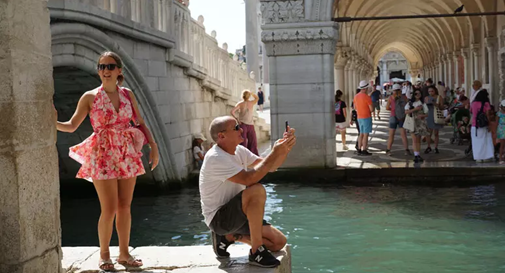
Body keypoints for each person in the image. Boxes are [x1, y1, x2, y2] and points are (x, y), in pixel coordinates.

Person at [55, 51, 159, 271]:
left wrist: (154, 147)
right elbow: (72, 125)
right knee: (109, 208)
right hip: (102, 154)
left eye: (110, 66)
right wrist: (52, 121)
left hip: (126, 153)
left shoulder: (128, 94)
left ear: (119, 71)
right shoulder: (90, 97)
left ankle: (124, 253)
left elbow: (140, 122)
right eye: (101, 67)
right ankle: (104, 255)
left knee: (125, 206)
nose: (105, 71)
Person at [199, 116, 296, 268]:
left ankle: (230, 237)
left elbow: (270, 167)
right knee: (256, 190)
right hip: (219, 219)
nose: (242, 129)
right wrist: (275, 152)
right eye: (236, 127)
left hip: (238, 215)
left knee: (279, 242)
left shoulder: (239, 151)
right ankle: (256, 251)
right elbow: (249, 178)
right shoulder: (216, 157)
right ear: (221, 136)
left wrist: (283, 150)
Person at [231, 90, 259, 155]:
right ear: (248, 96)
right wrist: (252, 93)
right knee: (252, 142)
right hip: (250, 124)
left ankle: (242, 156)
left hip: (242, 124)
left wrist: (237, 120)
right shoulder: (251, 103)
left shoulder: (240, 104)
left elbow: (232, 111)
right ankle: (252, 156)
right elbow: (257, 98)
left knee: (242, 142)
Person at [385, 84, 411, 156]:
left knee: (391, 135)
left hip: (393, 116)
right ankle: (406, 150)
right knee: (403, 135)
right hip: (402, 117)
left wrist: (393, 110)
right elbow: (407, 106)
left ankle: (388, 150)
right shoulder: (404, 97)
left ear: (393, 90)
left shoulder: (391, 98)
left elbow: (387, 108)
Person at [404, 90, 429, 163]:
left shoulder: (423, 103)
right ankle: (416, 155)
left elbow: (427, 113)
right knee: (414, 139)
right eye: (416, 93)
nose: (417, 95)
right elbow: (406, 112)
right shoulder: (410, 103)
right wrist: (415, 109)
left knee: (418, 140)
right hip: (413, 122)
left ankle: (418, 154)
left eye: (419, 93)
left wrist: (422, 115)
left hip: (420, 122)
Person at [470, 89, 494, 162]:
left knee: (476, 142)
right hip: (483, 125)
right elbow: (488, 115)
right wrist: (489, 124)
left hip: (475, 125)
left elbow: (471, 112)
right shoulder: (486, 104)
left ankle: (478, 157)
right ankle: (486, 156)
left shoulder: (473, 104)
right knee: (485, 141)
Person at [353, 80, 373, 156]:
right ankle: (364, 149)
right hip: (366, 117)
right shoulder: (367, 97)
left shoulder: (356, 96)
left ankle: (359, 149)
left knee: (361, 134)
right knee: (365, 134)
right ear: (365, 88)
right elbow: (371, 109)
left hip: (359, 117)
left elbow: (355, 107)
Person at [424, 86, 444, 154]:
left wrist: (435, 104)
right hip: (429, 115)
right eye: (429, 91)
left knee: (436, 133)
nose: (430, 93)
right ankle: (428, 146)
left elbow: (442, 107)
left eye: (432, 91)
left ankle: (436, 147)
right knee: (429, 132)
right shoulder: (426, 98)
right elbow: (424, 108)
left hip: (436, 115)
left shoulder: (439, 97)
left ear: (435, 91)